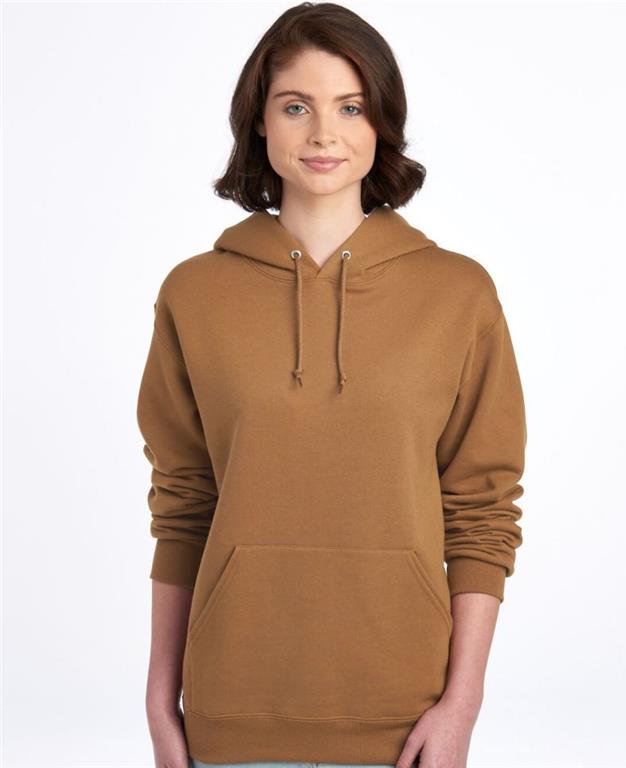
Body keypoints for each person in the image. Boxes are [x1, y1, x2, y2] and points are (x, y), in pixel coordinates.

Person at [136, 3, 527, 768]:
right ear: (259, 121)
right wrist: (159, 699)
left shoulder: (459, 294)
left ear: (381, 122)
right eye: (296, 106)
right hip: (231, 713)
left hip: (407, 720)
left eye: (350, 107)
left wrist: (463, 705)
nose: (323, 133)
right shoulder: (194, 293)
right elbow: (183, 502)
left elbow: (482, 509)